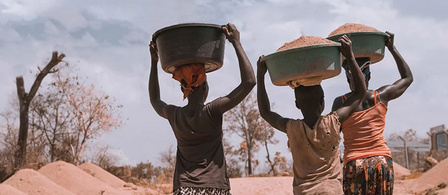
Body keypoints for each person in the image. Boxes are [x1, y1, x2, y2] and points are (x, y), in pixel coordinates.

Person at [148, 23, 256, 195]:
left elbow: (154, 99)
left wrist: (154, 62)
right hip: (214, 187)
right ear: (205, 87)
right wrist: (236, 42)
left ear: (183, 89)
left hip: (184, 189)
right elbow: (249, 82)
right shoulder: (212, 111)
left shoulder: (175, 115)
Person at [257, 35, 367, 195]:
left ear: (297, 104)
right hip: (332, 191)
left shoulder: (292, 128)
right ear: (323, 102)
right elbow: (360, 92)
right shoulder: (333, 122)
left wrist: (260, 76)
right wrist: (349, 56)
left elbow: (265, 112)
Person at [331, 32, 413, 195]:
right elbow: (407, 78)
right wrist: (392, 48)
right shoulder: (381, 96)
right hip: (381, 162)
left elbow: (332, 136)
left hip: (354, 163)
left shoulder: (340, 103)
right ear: (369, 75)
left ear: (348, 78)